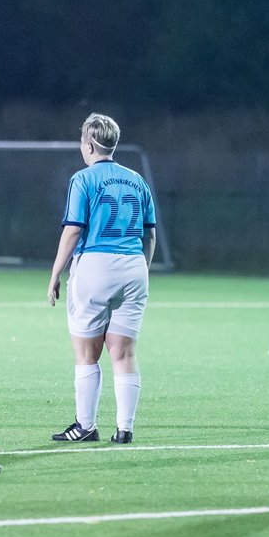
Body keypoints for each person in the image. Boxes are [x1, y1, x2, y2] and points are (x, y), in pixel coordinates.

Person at [47, 113, 157, 444]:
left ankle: (85, 425)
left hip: (95, 265)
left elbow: (72, 230)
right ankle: (124, 429)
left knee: (86, 354)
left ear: (90, 144)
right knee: (124, 354)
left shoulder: (83, 179)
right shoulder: (137, 179)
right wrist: (143, 268)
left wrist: (55, 272)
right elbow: (150, 234)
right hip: (134, 266)